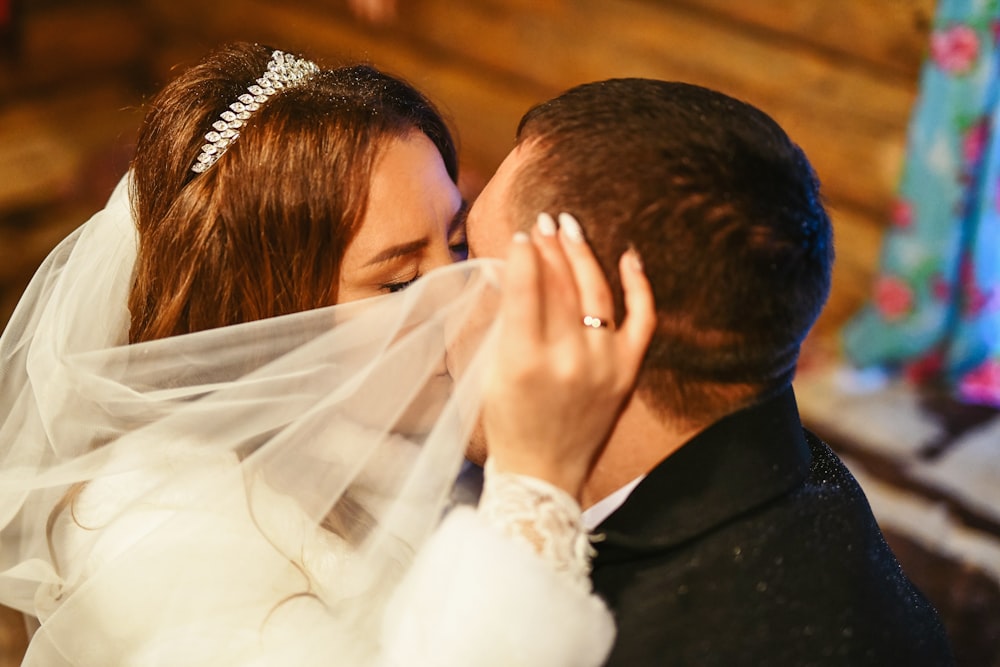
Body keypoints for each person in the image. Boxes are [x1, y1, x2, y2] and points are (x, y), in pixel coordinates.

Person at [0, 43, 656, 665]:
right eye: (398, 283)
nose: (459, 299)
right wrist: (536, 484)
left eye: (456, 247)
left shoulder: (417, 433)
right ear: (269, 312)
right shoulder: (158, 526)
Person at [464, 78, 955, 666]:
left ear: (582, 328)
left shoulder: (668, 640)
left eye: (476, 274)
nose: (438, 312)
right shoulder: (788, 463)